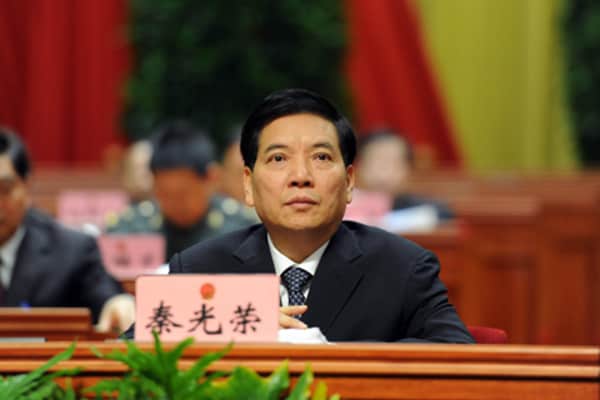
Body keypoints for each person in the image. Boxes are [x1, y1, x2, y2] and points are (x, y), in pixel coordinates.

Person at [166, 89, 473, 343]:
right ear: (248, 185)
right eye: (278, 158)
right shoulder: (199, 269)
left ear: (349, 182)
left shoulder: (403, 268)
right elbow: (147, 353)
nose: (301, 176)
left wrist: (336, 359)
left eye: (321, 157)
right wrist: (242, 324)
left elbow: (454, 354)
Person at [0, 128, 134, 332]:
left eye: (4, 189)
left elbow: (108, 299)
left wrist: (118, 304)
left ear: (27, 186)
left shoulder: (72, 250)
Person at [106, 121, 257, 259]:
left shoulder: (242, 229)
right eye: (165, 193)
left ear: (211, 179)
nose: (175, 203)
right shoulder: (132, 228)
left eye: (183, 193)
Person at [356, 130, 454, 221]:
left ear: (409, 169)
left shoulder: (426, 209)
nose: (385, 172)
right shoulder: (349, 204)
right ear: (360, 166)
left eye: (393, 163)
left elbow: (444, 214)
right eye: (377, 162)